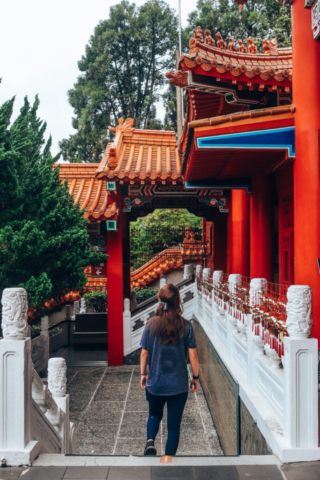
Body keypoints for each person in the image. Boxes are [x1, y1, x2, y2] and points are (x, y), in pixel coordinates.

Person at [140, 283, 199, 457]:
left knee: (154, 415)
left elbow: (144, 353)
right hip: (178, 386)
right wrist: (195, 377)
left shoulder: (150, 324)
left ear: (159, 300)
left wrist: (143, 374)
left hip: (155, 383)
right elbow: (193, 356)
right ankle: (167, 461)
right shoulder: (186, 326)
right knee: (173, 427)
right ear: (179, 301)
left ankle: (150, 442)